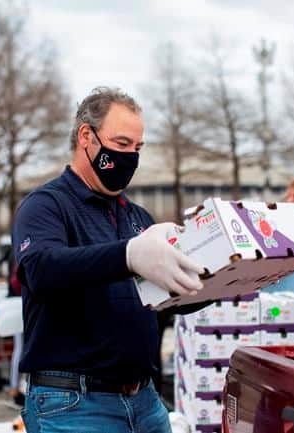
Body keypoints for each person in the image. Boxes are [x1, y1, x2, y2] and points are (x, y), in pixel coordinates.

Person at [12, 87, 207, 433]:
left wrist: (227, 276)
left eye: (138, 147)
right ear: (86, 136)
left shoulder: (138, 217)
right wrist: (128, 255)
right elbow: (41, 268)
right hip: (73, 404)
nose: (131, 156)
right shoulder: (45, 206)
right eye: (121, 144)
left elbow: (170, 296)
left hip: (146, 401)